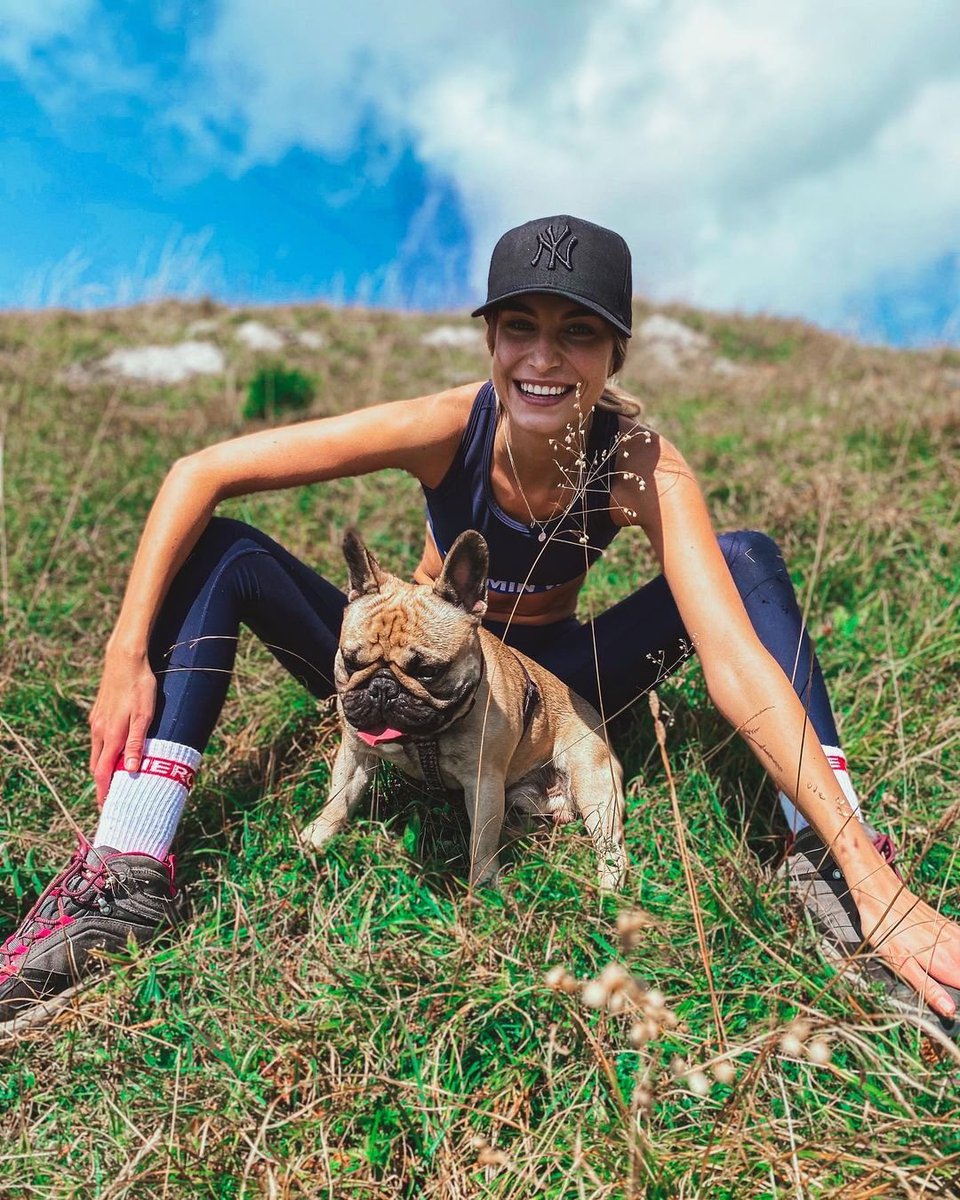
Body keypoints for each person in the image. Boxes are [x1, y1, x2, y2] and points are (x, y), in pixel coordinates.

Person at [2, 215, 958, 1037]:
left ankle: (840, 864)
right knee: (233, 550)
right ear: (490, 339)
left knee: (746, 559)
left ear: (615, 353)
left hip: (552, 679)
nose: (543, 358)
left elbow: (733, 660)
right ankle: (128, 868)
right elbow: (197, 473)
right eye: (519, 327)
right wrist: (127, 651)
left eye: (577, 334)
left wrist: (890, 899)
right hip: (418, 669)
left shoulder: (640, 467)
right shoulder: (442, 427)